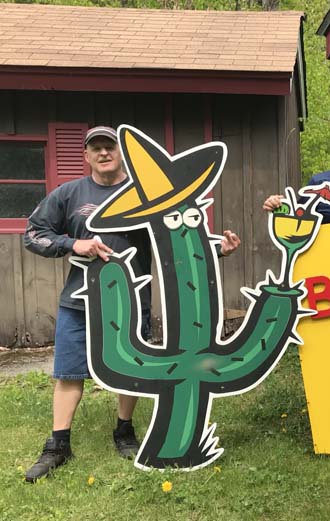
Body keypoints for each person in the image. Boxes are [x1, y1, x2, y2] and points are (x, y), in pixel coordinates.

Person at [22, 126, 241, 482]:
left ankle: (124, 431)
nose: (103, 153)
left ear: (120, 152)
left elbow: (175, 238)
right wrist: (72, 244)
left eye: (109, 146)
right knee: (68, 373)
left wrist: (217, 249)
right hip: (78, 302)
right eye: (96, 148)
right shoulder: (69, 193)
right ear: (86, 155)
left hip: (132, 300)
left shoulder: (144, 194)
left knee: (131, 369)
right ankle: (58, 444)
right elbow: (33, 234)